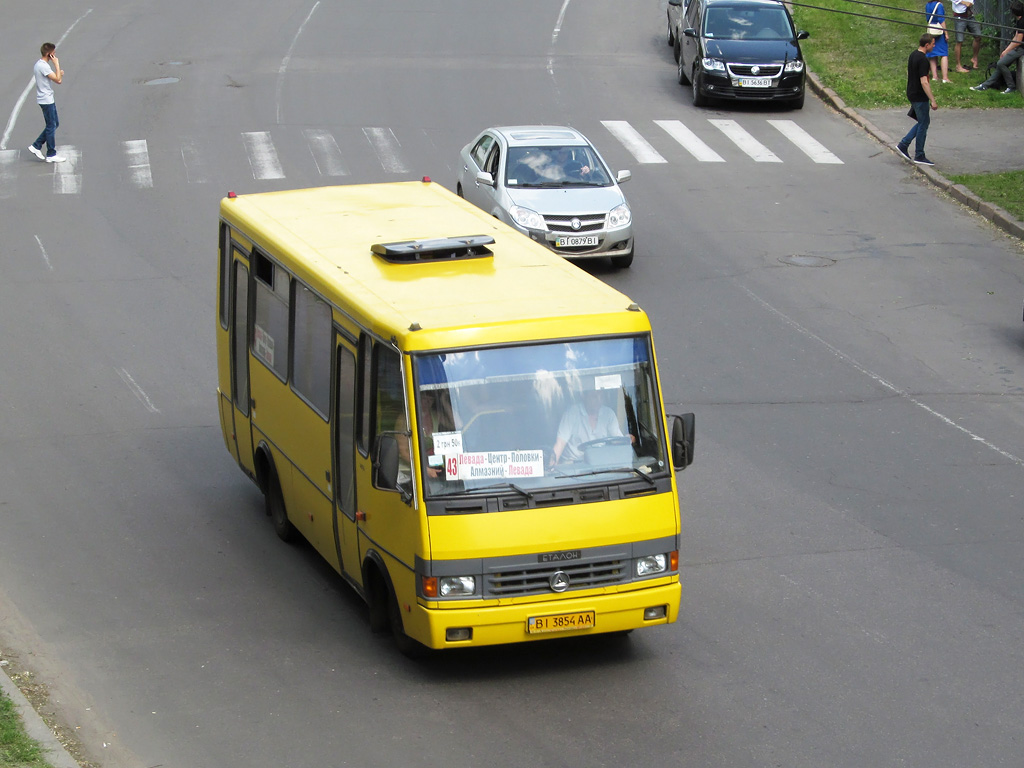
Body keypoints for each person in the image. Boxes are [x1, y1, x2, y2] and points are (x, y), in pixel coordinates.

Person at [549, 387, 623, 466]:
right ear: (584, 396)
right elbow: (560, 443)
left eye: (601, 396)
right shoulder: (571, 413)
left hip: (601, 465)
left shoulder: (608, 414)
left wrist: (628, 440)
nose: (599, 400)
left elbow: (617, 440)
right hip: (573, 465)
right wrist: (551, 467)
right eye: (594, 396)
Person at [896, 34, 939, 167]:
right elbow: (924, 82)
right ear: (927, 45)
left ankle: (904, 144)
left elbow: (910, 73)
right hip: (920, 96)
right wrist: (932, 100)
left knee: (922, 122)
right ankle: (919, 154)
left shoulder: (913, 55)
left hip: (911, 92)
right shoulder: (923, 60)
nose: (934, 45)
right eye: (932, 44)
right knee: (923, 123)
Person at [969, 1, 1024, 94]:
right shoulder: (1020, 20)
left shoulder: (1022, 22)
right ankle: (985, 85)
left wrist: (1007, 50)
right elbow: (1016, 36)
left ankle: (1011, 86)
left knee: (1001, 64)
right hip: (1018, 47)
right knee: (1000, 64)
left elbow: (1018, 41)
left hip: (1021, 49)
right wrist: (1006, 50)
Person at [28, 43, 65, 164]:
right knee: (51, 126)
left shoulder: (39, 64)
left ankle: (37, 145)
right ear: (49, 54)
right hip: (46, 100)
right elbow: (58, 80)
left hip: (45, 98)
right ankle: (51, 153)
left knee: (54, 124)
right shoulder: (44, 66)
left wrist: (58, 73)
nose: (55, 55)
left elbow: (56, 77)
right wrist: (57, 64)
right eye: (53, 53)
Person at [951, 0, 982, 72]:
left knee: (978, 36)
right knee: (959, 40)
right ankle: (958, 65)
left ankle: (974, 58)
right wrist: (964, 2)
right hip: (959, 16)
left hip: (970, 15)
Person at [925, 0, 951, 83]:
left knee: (932, 54)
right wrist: (946, 33)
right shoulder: (939, 5)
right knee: (944, 54)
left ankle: (935, 76)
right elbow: (941, 20)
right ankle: (945, 77)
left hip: (931, 31)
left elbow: (927, 18)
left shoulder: (927, 5)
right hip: (939, 32)